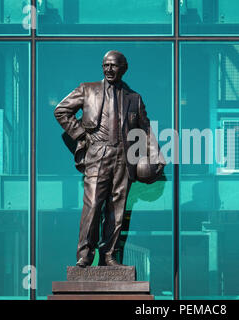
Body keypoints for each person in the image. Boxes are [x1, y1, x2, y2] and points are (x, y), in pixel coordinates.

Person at [54, 50, 165, 267]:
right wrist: (80, 135)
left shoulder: (135, 98)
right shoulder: (88, 89)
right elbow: (61, 111)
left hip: (123, 158)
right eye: (105, 65)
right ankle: (85, 254)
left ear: (123, 68)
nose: (108, 69)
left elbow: (145, 129)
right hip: (97, 153)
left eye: (113, 65)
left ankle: (109, 254)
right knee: (93, 204)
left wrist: (156, 156)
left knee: (117, 208)